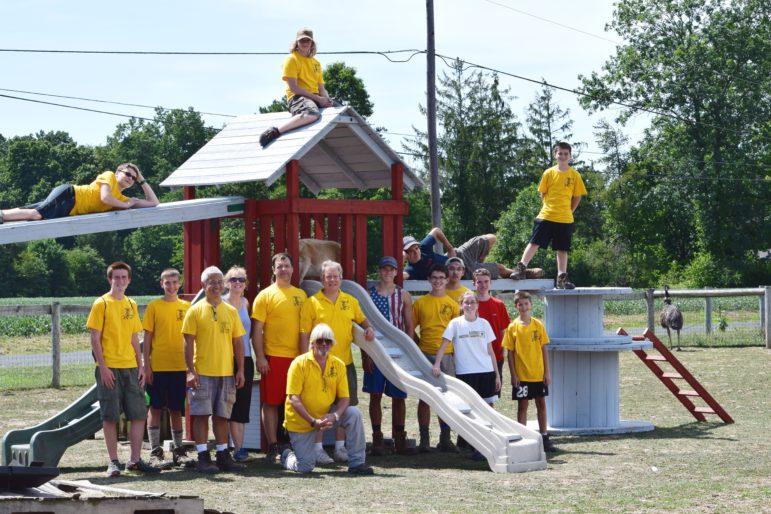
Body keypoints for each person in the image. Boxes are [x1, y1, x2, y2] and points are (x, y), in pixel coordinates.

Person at [87, 261, 159, 477]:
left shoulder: (131, 304)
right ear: (110, 279)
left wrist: (141, 366)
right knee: (110, 416)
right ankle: (113, 462)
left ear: (129, 280)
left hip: (131, 368)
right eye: (116, 277)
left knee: (138, 414)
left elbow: (133, 338)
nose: (120, 281)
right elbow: (95, 338)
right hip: (110, 368)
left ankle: (135, 460)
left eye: (123, 277)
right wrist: (104, 367)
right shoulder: (101, 304)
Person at [300, 260, 375, 464]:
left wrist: (368, 328)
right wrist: (304, 359)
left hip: (345, 363)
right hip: (319, 364)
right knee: (318, 406)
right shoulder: (312, 302)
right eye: (328, 276)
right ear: (322, 279)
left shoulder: (350, 301)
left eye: (335, 276)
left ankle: (341, 448)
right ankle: (317, 449)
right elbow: (304, 334)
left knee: (346, 405)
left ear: (341, 278)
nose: (332, 280)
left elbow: (362, 320)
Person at [281, 323, 374, 475]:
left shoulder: (338, 364)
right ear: (312, 343)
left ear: (332, 345)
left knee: (354, 413)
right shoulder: (298, 364)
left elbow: (345, 398)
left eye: (328, 341)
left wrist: (335, 415)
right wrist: (312, 421)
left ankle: (357, 463)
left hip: (325, 414)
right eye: (320, 340)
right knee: (305, 467)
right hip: (301, 421)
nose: (324, 344)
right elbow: (293, 399)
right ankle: (287, 456)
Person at [182, 266, 246, 473]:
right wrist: (190, 371)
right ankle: (202, 456)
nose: (217, 286)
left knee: (222, 415)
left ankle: (222, 454)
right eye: (212, 282)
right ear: (204, 285)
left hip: (226, 372)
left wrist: (240, 370)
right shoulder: (194, 310)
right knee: (201, 415)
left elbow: (238, 342)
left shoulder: (231, 311)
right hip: (202, 372)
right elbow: (187, 343)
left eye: (220, 281)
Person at [251, 253, 307, 463]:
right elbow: (257, 330)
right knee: (271, 402)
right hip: (273, 357)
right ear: (273, 270)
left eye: (287, 265)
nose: (283, 269)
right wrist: (260, 357)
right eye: (279, 266)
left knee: (293, 401)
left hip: (297, 358)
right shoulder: (265, 295)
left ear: (293, 269)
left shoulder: (301, 295)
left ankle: (290, 441)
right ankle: (273, 445)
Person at [433, 291, 501, 461]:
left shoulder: (484, 324)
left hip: (485, 372)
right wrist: (436, 365)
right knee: (470, 411)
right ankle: (475, 445)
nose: (469, 305)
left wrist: (497, 375)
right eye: (466, 303)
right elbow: (443, 346)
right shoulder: (455, 324)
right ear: (461, 305)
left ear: (478, 305)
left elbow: (491, 351)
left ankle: (490, 442)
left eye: (472, 302)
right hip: (465, 373)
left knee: (487, 408)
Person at [511, 142, 587, 289]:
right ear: (555, 155)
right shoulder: (548, 173)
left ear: (570, 156)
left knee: (562, 249)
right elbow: (542, 193)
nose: (563, 156)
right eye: (560, 153)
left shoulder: (575, 175)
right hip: (546, 215)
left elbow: (577, 196)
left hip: (565, 218)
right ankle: (521, 268)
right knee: (534, 242)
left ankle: (562, 278)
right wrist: (548, 207)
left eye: (566, 154)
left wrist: (569, 211)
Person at [364, 256, 417, 456]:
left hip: (398, 351)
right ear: (379, 271)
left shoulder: (403, 295)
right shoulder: (370, 295)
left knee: (398, 395)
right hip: (376, 349)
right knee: (375, 394)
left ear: (396, 272)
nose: (387, 272)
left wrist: (410, 350)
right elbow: (364, 324)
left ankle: (399, 437)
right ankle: (377, 437)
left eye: (391, 269)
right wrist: (365, 353)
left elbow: (409, 325)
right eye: (384, 269)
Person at [142, 268, 194, 469]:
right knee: (154, 408)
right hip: (158, 366)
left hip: (179, 367)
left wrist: (191, 367)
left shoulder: (187, 307)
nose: (171, 286)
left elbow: (191, 339)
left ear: (179, 283)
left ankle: (178, 451)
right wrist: (147, 365)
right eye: (167, 282)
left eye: (174, 282)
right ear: (161, 284)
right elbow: (147, 338)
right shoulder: (154, 306)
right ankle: (155, 450)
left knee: (175, 409)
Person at [0, 163, 160, 223]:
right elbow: (105, 197)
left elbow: (154, 203)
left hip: (69, 209)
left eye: (133, 177)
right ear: (118, 172)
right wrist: (126, 205)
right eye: (127, 174)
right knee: (36, 215)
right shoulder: (109, 176)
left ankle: (3, 215)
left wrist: (142, 179)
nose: (130, 178)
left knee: (28, 210)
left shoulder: (122, 199)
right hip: (70, 194)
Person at [411, 264, 459, 452]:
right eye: (435, 277)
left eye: (442, 277)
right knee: (425, 397)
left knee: (447, 398)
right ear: (428, 280)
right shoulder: (420, 303)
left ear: (447, 280)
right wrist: (419, 346)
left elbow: (456, 334)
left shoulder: (453, 305)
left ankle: (445, 438)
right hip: (425, 354)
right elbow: (410, 328)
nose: (438, 281)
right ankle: (424, 439)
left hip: (447, 355)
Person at [502, 291, 558, 453]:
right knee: (523, 406)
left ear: (531, 305)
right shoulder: (512, 327)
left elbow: (544, 349)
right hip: (522, 376)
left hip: (538, 374)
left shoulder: (537, 325)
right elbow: (510, 353)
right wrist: (513, 374)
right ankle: (522, 437)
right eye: (520, 304)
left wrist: (547, 372)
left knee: (541, 404)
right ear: (516, 306)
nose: (524, 307)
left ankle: (544, 437)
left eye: (526, 304)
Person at [259, 28, 334, 147]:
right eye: (302, 40)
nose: (305, 43)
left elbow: (321, 88)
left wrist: (327, 100)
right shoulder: (291, 59)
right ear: (297, 43)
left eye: (307, 41)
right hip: (298, 98)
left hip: (316, 97)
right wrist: (319, 99)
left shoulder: (316, 63)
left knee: (340, 111)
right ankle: (276, 131)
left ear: (312, 43)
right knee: (312, 114)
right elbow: (294, 88)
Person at [223, 266, 256, 463]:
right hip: (226, 359)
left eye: (241, 279)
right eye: (233, 279)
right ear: (227, 283)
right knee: (226, 404)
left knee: (242, 404)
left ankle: (240, 448)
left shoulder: (245, 302)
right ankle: (223, 446)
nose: (237, 282)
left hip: (245, 357)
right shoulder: (222, 303)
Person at [473, 268, 510, 377]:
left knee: (495, 389)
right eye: (479, 282)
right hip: (475, 355)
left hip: (496, 354)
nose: (483, 285)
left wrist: (502, 352)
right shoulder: (470, 305)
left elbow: (502, 330)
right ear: (474, 283)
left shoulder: (499, 304)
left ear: (491, 283)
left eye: (486, 281)